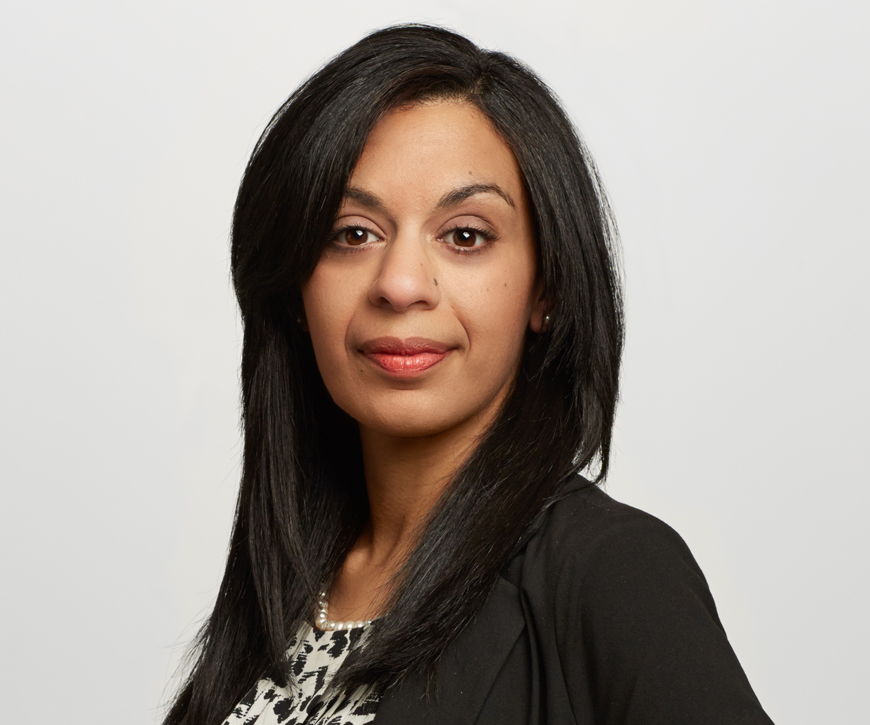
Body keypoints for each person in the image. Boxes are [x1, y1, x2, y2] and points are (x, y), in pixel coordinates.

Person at [163, 24, 774, 725]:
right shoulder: (285, 586)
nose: (400, 284)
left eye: (465, 235)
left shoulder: (614, 573)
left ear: (546, 288)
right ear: (295, 286)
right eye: (353, 233)